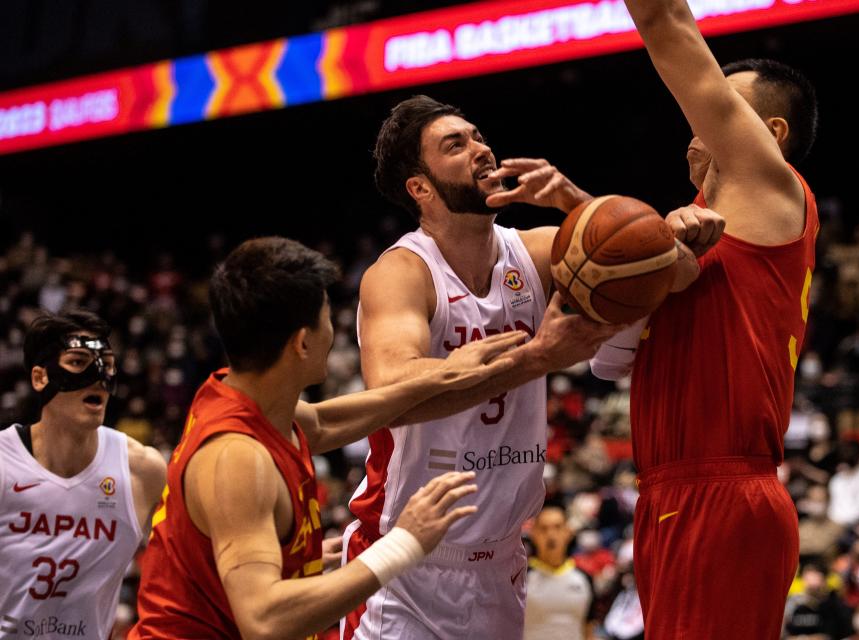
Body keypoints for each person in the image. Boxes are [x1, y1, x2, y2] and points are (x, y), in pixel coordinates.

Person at [344, 95, 722, 639]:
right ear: (420, 188)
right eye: (456, 144)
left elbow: (675, 273)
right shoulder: (403, 272)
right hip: (407, 564)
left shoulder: (534, 252)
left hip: (501, 566)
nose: (481, 149)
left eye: (478, 136)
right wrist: (536, 357)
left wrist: (574, 200)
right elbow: (392, 386)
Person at [132, 237, 525, 639]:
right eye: (326, 320)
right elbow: (265, 620)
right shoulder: (235, 458)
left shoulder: (239, 399)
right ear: (302, 342)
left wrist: (439, 375)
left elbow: (322, 425)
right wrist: (404, 543)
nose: (333, 332)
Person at [588, 0, 821, 635]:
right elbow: (606, 358)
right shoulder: (690, 232)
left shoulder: (774, 187)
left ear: (768, 134)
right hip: (667, 491)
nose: (699, 118)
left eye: (722, 104)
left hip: (722, 490)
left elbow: (666, 21)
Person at [0, 310, 166, 639]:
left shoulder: (142, 471)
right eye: (78, 362)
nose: (97, 376)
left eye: (106, 362)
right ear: (40, 378)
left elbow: (182, 577)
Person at [524, 506, 596, 640]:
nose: (551, 535)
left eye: (557, 527)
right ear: (533, 534)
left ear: (568, 532)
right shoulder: (520, 579)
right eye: (544, 529)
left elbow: (589, 631)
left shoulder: (584, 578)